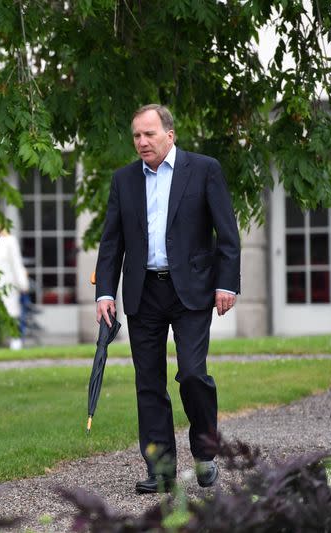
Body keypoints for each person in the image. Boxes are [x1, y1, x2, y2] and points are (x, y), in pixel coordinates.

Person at [94, 104, 240, 494]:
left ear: (169, 135)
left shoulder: (204, 169)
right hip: (144, 291)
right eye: (137, 136)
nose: (142, 142)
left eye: (149, 134)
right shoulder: (124, 180)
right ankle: (160, 468)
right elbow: (112, 243)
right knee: (149, 383)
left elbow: (227, 233)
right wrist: (105, 291)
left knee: (192, 373)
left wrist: (227, 284)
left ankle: (206, 450)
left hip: (191, 289)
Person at [0, 227, 30, 350]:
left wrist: (23, 284)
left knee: (13, 313)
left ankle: (16, 339)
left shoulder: (9, 241)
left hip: (8, 284)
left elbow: (16, 264)